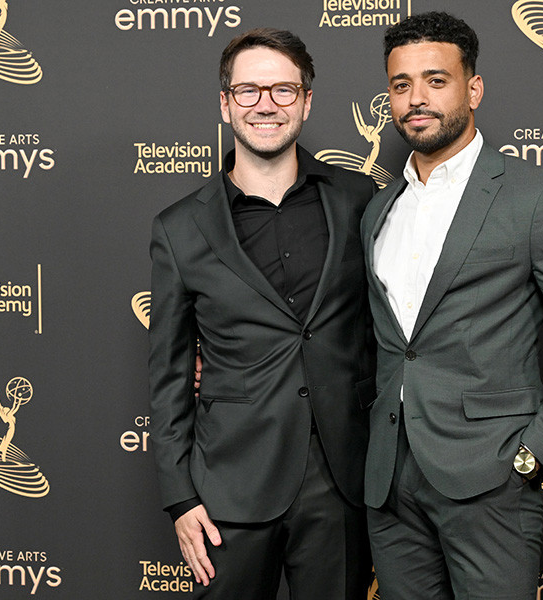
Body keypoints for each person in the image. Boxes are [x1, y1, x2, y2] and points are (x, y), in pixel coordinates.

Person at [361, 12, 543, 599]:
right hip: (389, 483)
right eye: (401, 84)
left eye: (436, 80)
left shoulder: (533, 198)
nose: (417, 99)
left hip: (490, 481)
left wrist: (534, 455)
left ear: (474, 88)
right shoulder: (378, 209)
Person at [148, 28, 376, 600]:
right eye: (248, 91)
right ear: (225, 104)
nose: (266, 105)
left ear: (306, 101)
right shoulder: (179, 228)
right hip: (228, 487)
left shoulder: (361, 199)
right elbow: (170, 373)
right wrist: (180, 497)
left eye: (282, 90)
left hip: (342, 480)